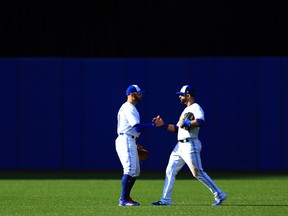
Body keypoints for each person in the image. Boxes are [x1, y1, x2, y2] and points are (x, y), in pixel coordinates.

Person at [151, 85, 228, 206]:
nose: (180, 97)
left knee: (197, 173)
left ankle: (219, 194)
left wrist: (186, 122)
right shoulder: (185, 110)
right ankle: (165, 200)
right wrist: (163, 125)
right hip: (179, 146)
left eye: (181, 95)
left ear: (188, 95)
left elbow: (201, 121)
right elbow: (176, 128)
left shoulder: (196, 107)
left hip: (190, 144)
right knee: (170, 170)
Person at [115, 84, 164, 206]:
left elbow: (135, 129)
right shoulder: (129, 107)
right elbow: (137, 127)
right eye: (139, 93)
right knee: (130, 169)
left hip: (130, 139)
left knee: (135, 171)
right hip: (125, 139)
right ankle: (123, 199)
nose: (141, 95)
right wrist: (154, 125)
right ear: (132, 95)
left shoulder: (130, 107)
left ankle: (126, 198)